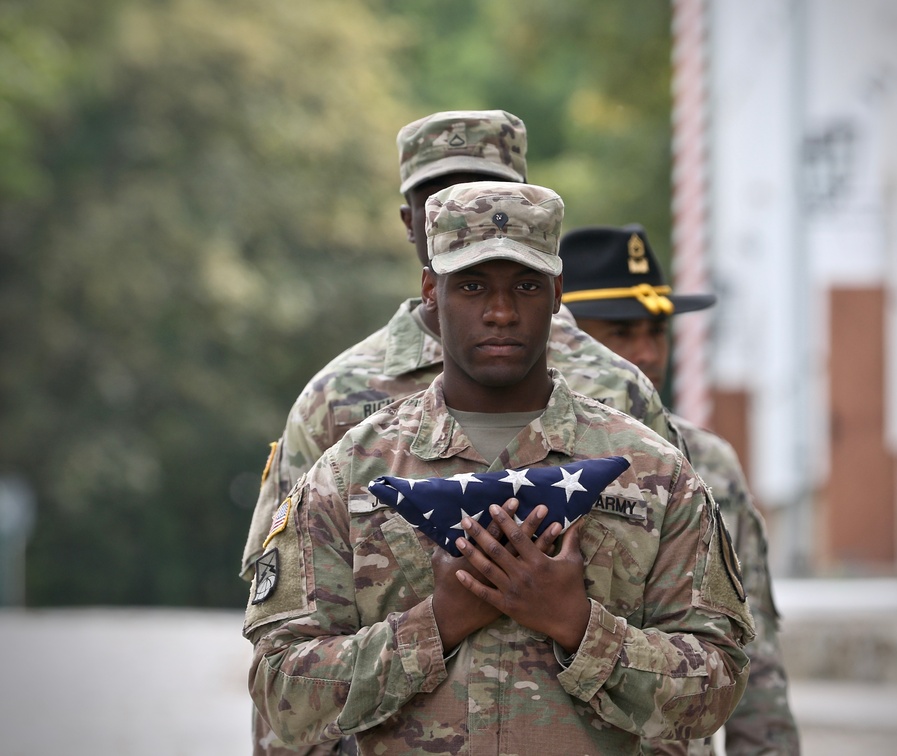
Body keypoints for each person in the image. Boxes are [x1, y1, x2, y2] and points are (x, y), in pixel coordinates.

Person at [243, 181, 754, 754]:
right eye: (472, 286)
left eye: (527, 285)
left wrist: (578, 626)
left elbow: (718, 685)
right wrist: (433, 626)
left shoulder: (655, 474)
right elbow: (282, 692)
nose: (501, 311)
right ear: (431, 292)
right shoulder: (349, 476)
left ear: (558, 294)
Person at [559, 224, 801, 755]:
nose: (646, 353)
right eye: (621, 333)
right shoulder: (521, 456)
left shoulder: (706, 460)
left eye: (658, 331)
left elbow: (751, 647)